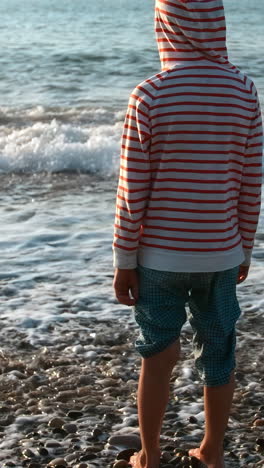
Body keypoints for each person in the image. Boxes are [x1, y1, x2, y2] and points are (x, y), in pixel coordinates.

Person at [112, 1, 263, 467]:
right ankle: (211, 451)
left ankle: (150, 455)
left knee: (158, 350)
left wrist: (123, 260)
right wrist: (244, 248)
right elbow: (249, 179)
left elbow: (131, 191)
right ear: (216, 24)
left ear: (165, 26)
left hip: (159, 259)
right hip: (220, 253)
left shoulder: (150, 95)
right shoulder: (243, 91)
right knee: (219, 351)